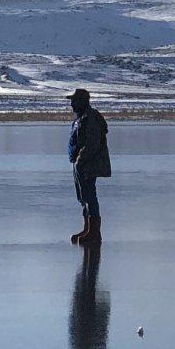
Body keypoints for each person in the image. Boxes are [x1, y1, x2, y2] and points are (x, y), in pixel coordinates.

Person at [66, 88, 111, 244]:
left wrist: (81, 159)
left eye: (74, 101)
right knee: (83, 197)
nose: (71, 104)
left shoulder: (91, 118)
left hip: (88, 164)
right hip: (79, 163)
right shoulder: (81, 118)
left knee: (89, 196)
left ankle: (94, 233)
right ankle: (87, 229)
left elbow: (92, 143)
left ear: (82, 101)